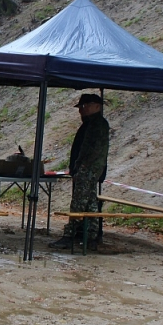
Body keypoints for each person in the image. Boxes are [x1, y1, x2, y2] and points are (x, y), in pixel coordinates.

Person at [49, 93, 110, 251]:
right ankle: (90, 236)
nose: (81, 111)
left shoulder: (96, 125)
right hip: (88, 169)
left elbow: (90, 151)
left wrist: (80, 168)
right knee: (90, 203)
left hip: (87, 169)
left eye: (85, 106)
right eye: (81, 107)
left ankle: (70, 236)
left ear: (97, 106)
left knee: (78, 203)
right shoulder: (92, 124)